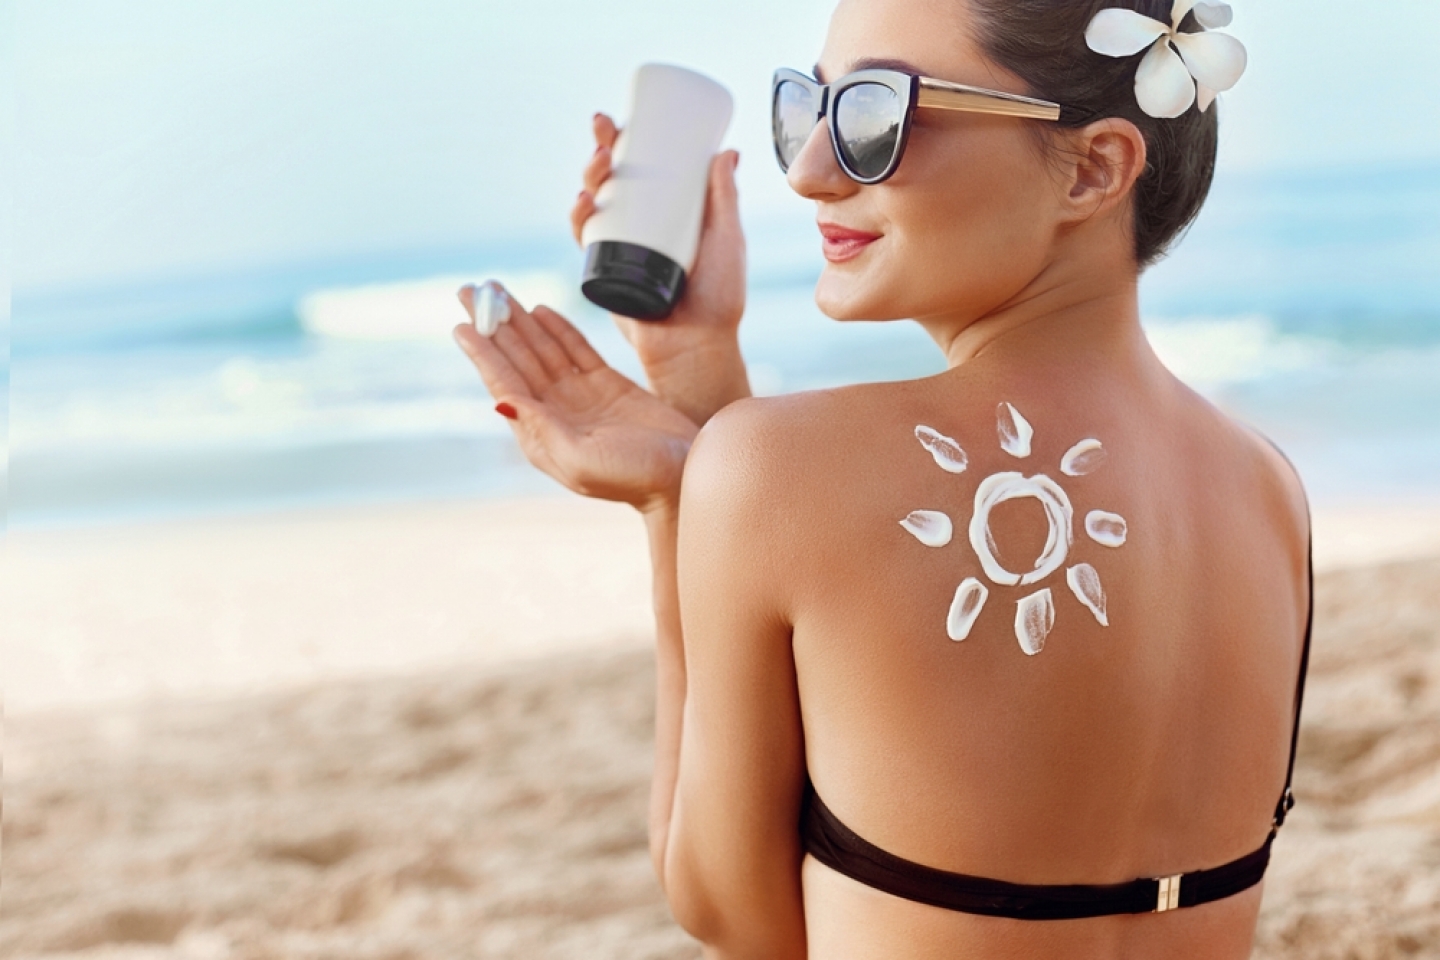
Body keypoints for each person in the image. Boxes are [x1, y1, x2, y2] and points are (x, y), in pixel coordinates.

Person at [452, 0, 1311, 956]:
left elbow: (739, 917)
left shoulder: (779, 465)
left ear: (1093, 168)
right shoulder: (1268, 487)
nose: (811, 171)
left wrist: (673, 503)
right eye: (807, 109)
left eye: (878, 115)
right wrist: (698, 373)